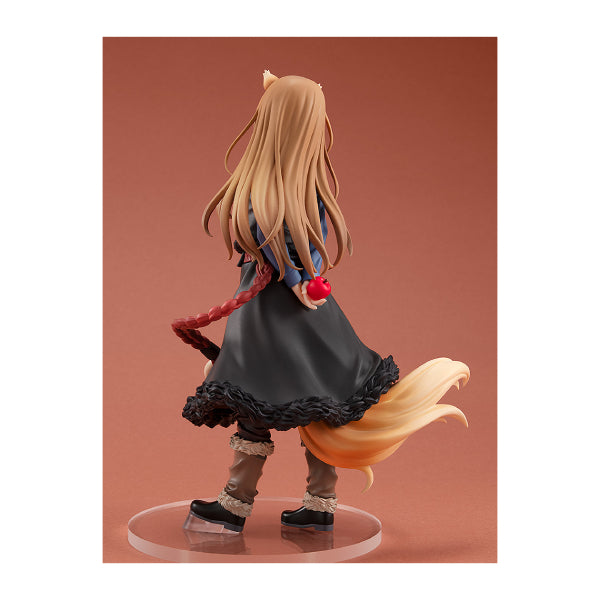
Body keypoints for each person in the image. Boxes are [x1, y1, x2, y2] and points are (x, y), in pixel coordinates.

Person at [178, 71, 469, 534]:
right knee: (313, 403)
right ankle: (313, 504)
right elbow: (294, 243)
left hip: (274, 314)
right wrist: (304, 278)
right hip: (294, 311)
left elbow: (282, 242)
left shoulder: (273, 190)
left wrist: (302, 278)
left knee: (285, 404)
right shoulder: (291, 189)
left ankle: (240, 505)